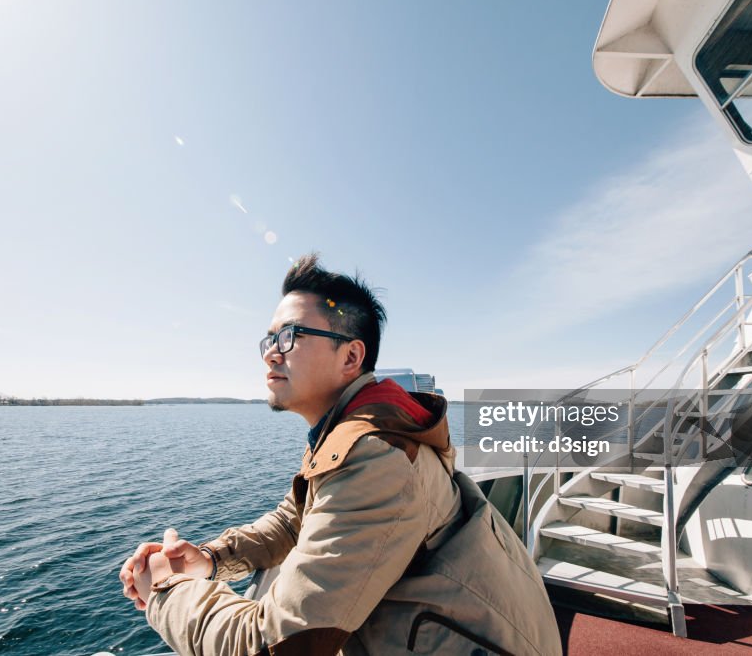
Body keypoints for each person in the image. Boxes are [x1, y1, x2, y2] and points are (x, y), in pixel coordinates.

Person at [119, 254, 562, 656]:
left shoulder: (376, 456)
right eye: (269, 338)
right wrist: (214, 558)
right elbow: (297, 517)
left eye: (290, 336)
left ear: (351, 357)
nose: (271, 352)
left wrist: (164, 589)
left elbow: (270, 645)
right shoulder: (355, 430)